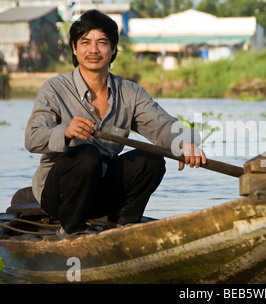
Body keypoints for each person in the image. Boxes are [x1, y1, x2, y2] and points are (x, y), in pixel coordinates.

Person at [25, 10, 206, 239]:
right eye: (85, 42)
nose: (93, 50)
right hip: (60, 195)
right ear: (74, 48)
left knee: (151, 160)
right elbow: (32, 138)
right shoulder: (54, 89)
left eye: (102, 42)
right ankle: (70, 229)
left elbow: (162, 126)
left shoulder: (130, 93)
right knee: (86, 154)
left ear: (113, 49)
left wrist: (185, 143)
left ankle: (119, 227)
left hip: (101, 193)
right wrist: (66, 131)